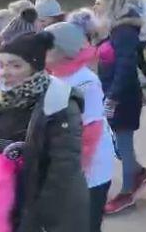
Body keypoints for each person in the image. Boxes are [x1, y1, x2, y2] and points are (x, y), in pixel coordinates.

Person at [0, 32, 89, 232]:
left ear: (34, 67)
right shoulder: (5, 97)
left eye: (15, 65)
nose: (5, 72)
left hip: (35, 204)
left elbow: (62, 175)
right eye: (1, 65)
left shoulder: (59, 105)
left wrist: (38, 221)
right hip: (6, 200)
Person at [44, 14, 116, 232]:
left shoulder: (85, 82)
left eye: (47, 49)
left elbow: (90, 129)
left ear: (62, 53)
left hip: (89, 170)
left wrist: (75, 170)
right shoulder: (55, 74)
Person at [95, 0, 146, 214]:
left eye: (99, 2)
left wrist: (113, 97)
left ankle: (128, 191)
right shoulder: (112, 29)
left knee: (123, 142)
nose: (95, 5)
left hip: (124, 96)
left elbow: (126, 67)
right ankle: (138, 172)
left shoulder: (125, 31)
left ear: (111, 4)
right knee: (119, 142)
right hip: (113, 92)